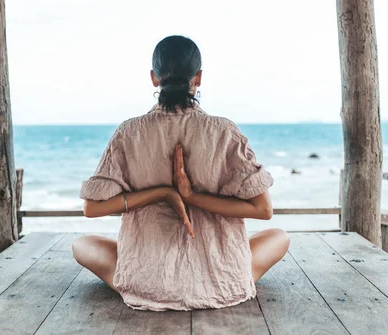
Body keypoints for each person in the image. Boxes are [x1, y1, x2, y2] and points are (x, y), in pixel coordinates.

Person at [73, 35, 290, 311]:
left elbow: (92, 208)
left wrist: (162, 193)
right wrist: (191, 197)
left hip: (149, 282)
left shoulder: (129, 133)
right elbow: (263, 210)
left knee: (81, 244)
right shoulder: (223, 131)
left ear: (154, 78)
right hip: (220, 281)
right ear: (198, 78)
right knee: (279, 236)